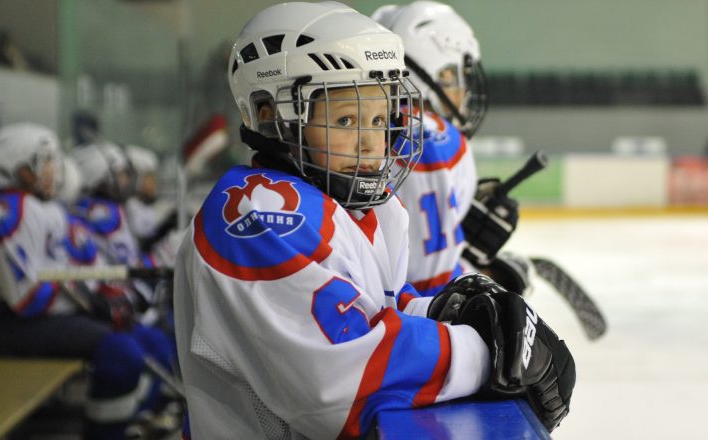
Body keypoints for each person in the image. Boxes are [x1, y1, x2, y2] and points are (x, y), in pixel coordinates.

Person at [174, 2, 574, 438]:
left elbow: (375, 309)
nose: (373, 143)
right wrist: (488, 353)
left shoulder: (361, 211)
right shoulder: (257, 216)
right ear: (273, 117)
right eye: (346, 119)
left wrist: (448, 311)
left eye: (381, 118)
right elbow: (343, 382)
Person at [0, 122, 175, 439]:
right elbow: (27, 298)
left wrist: (105, 298)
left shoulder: (46, 210)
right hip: (10, 323)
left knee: (154, 342)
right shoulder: (6, 213)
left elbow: (77, 271)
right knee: (121, 353)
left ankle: (127, 426)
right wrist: (90, 303)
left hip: (50, 316)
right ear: (19, 169)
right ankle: (103, 434)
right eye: (43, 162)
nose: (53, 170)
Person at [374, 1, 532, 297]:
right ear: (439, 74)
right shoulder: (435, 140)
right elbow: (429, 290)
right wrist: (485, 274)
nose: (464, 91)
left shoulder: (372, 125)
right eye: (457, 76)